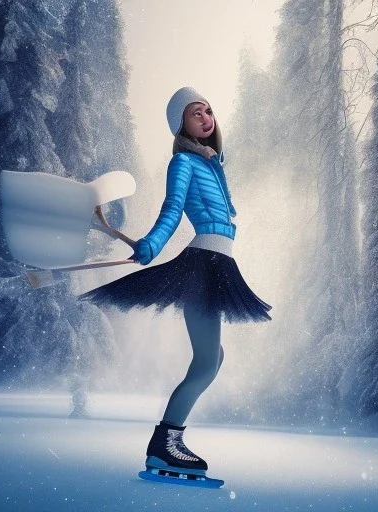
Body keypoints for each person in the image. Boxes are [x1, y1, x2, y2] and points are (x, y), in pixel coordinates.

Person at [79, 86, 272, 475]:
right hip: (204, 265)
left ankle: (167, 441)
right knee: (205, 363)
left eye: (208, 111)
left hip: (218, 264)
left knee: (213, 358)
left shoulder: (212, 164)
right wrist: (149, 246)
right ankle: (165, 443)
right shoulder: (183, 162)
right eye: (194, 113)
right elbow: (172, 210)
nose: (205, 118)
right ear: (180, 125)